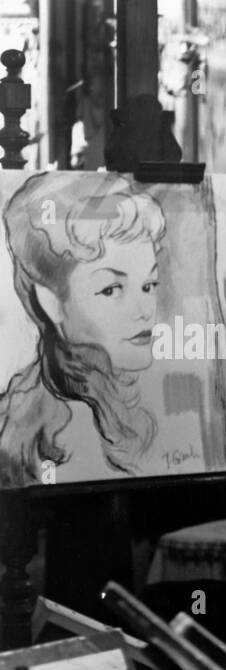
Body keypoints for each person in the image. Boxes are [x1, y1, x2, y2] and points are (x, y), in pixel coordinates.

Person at [0, 173, 165, 487]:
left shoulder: (120, 399)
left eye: (149, 285)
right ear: (51, 303)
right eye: (112, 289)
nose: (144, 310)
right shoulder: (67, 429)